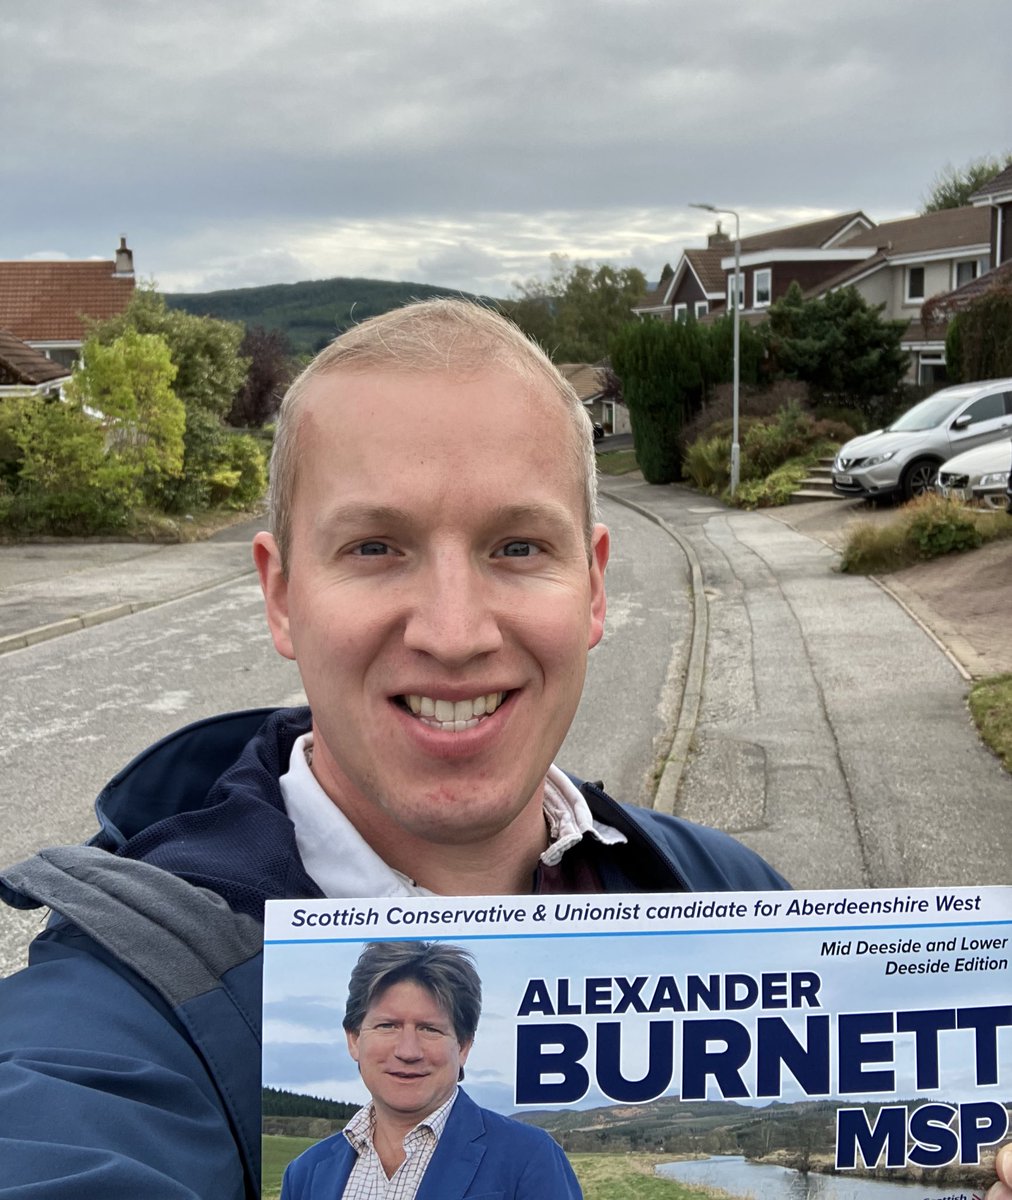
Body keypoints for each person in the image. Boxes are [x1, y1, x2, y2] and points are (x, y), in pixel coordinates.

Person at [0, 299, 789, 1198]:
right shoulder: (119, 1007)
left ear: (594, 587)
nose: (454, 634)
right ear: (282, 596)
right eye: (375, 547)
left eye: (518, 546)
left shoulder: (735, 895)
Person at [280, 941, 581, 1199]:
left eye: (429, 1029)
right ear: (354, 1039)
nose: (408, 1051)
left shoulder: (529, 1156)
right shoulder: (305, 1173)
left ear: (463, 1046)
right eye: (388, 1026)